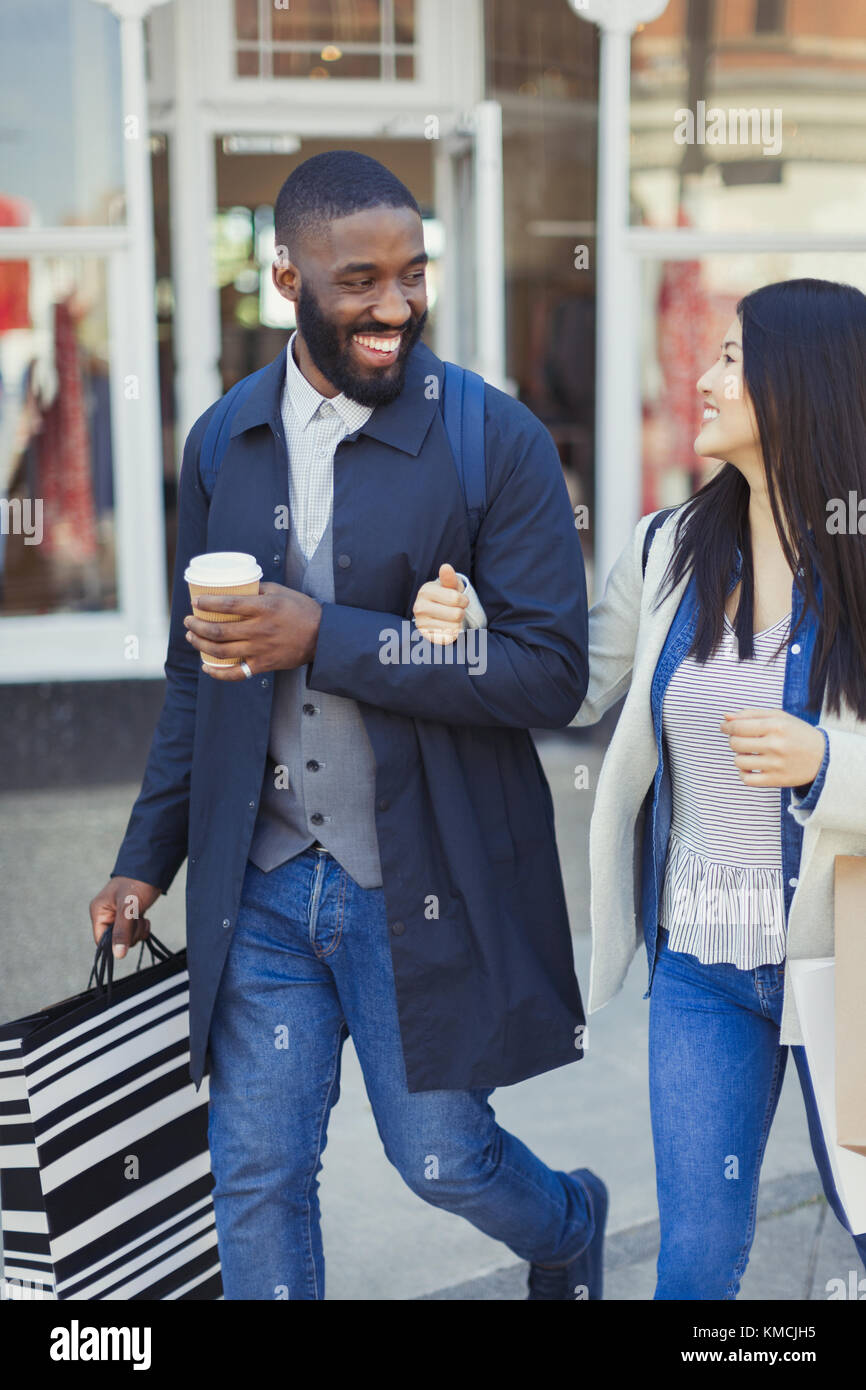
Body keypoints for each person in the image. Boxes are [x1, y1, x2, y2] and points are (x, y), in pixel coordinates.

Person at [89, 150, 608, 1301]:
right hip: (261, 881)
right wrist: (142, 862)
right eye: (359, 280)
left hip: (413, 879)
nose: (395, 307)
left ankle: (568, 1222)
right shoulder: (221, 441)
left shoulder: (493, 440)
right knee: (258, 1174)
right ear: (284, 276)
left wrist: (326, 633)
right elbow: (197, 673)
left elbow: (548, 675)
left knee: (439, 1159)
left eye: (412, 275)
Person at [414, 277, 866, 1299]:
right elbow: (572, 683)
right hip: (703, 966)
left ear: (804, 385)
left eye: (731, 360)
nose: (701, 380)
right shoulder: (669, 550)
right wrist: (475, 630)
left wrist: (825, 767)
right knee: (694, 1267)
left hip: (848, 961)